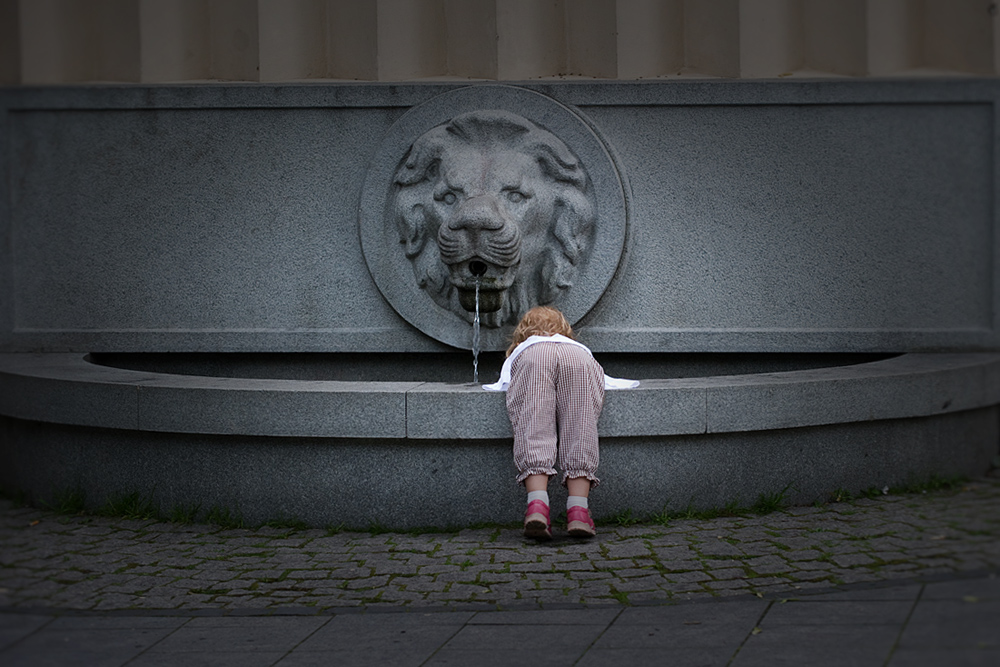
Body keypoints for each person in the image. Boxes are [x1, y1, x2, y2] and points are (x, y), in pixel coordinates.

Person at [483, 306, 638, 540]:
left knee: (533, 424)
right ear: (563, 329)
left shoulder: (527, 347)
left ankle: (537, 507)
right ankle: (578, 512)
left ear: (524, 331)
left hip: (534, 359)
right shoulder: (574, 346)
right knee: (581, 426)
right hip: (578, 360)